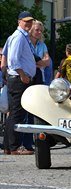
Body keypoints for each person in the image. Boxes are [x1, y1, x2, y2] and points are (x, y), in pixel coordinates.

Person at [1, 11, 36, 155]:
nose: (28, 24)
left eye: (30, 21)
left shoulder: (20, 37)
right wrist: (22, 74)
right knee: (17, 113)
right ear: (19, 22)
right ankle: (14, 146)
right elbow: (13, 60)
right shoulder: (18, 37)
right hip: (20, 78)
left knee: (14, 113)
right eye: (25, 21)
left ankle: (9, 146)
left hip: (17, 78)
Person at [29, 20, 50, 85]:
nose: (39, 32)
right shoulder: (26, 44)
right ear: (31, 30)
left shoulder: (42, 45)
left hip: (40, 77)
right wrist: (41, 64)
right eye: (37, 30)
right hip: (28, 76)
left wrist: (34, 64)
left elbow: (48, 62)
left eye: (41, 31)